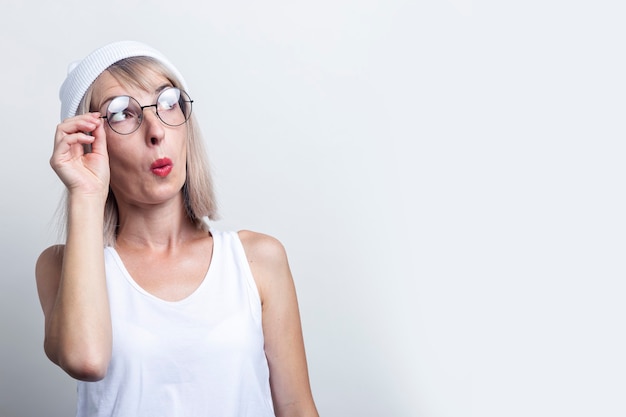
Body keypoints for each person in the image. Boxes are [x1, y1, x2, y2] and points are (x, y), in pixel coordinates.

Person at [35, 40, 319, 417]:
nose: (156, 131)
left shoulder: (257, 260)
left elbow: (296, 408)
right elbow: (86, 360)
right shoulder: (60, 266)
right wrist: (86, 192)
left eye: (168, 102)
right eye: (121, 114)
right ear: (89, 143)